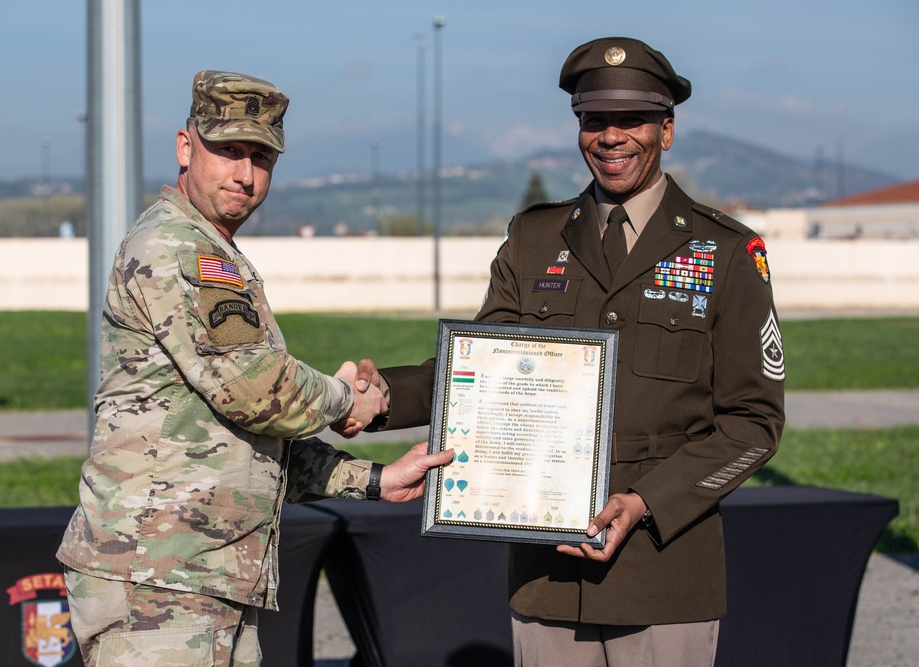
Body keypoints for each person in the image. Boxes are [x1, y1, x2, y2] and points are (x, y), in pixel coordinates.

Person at [346, 37, 785, 666]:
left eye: (630, 120)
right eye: (593, 120)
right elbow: (482, 371)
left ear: (666, 129)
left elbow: (752, 423)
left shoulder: (727, 253)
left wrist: (645, 504)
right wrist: (383, 396)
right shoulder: (534, 237)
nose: (610, 137)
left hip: (663, 577)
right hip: (546, 576)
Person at [56, 70, 453, 667]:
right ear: (185, 148)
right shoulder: (180, 250)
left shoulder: (214, 251)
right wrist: (348, 398)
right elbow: (258, 392)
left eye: (261, 156)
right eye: (228, 151)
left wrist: (372, 481)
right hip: (159, 584)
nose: (245, 174)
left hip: (200, 576)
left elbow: (244, 442)